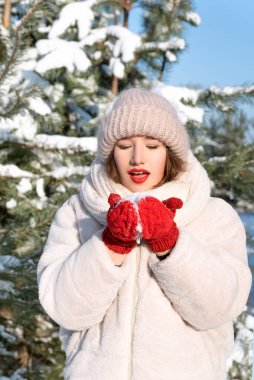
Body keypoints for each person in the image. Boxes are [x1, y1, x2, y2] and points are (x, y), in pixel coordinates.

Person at [37, 88, 252, 380]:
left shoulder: (214, 216)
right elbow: (63, 308)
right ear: (111, 152)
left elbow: (218, 308)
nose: (138, 158)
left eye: (152, 146)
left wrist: (171, 245)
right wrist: (110, 245)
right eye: (125, 145)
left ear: (170, 152)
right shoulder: (77, 214)